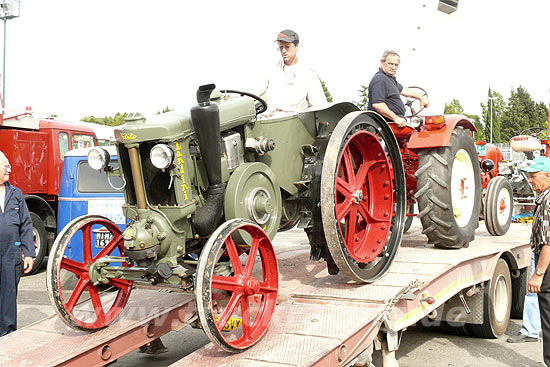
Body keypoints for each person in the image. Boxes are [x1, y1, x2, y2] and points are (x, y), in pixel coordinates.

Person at [0, 150, 35, 336]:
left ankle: (8, 334)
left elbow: (26, 224)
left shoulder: (16, 194)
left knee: (8, 294)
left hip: (11, 253)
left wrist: (28, 253)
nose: (9, 170)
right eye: (5, 167)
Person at [256, 29, 327, 117]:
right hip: (268, 121)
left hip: (294, 122)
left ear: (297, 46)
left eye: (287, 47)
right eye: (281, 47)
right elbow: (254, 93)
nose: (284, 51)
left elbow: (319, 106)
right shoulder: (272, 70)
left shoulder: (308, 75)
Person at [522, 156, 550, 365]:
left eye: (533, 177)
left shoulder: (548, 201)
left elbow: (548, 243)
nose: (530, 181)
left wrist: (538, 274)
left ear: (547, 176)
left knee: (548, 320)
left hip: (546, 266)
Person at [367, 50, 429, 127]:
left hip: (396, 121)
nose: (393, 67)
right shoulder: (380, 79)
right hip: (387, 124)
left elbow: (404, 90)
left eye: (396, 65)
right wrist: (396, 118)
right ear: (382, 62)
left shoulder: (390, 79)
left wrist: (420, 97)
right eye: (390, 64)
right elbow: (378, 105)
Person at [507, 251, 541, 343]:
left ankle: (530, 331)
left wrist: (538, 274)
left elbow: (547, 242)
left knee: (534, 292)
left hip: (543, 253)